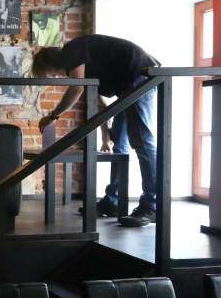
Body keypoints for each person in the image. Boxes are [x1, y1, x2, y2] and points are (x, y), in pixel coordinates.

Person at [32, 34, 161, 227]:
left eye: (50, 74)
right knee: (120, 145)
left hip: (139, 76)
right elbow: (97, 101)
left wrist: (53, 116)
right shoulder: (82, 61)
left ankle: (152, 205)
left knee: (142, 141)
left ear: (51, 65)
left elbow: (77, 89)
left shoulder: (72, 51)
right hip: (127, 86)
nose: (55, 77)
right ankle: (113, 201)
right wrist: (105, 132)